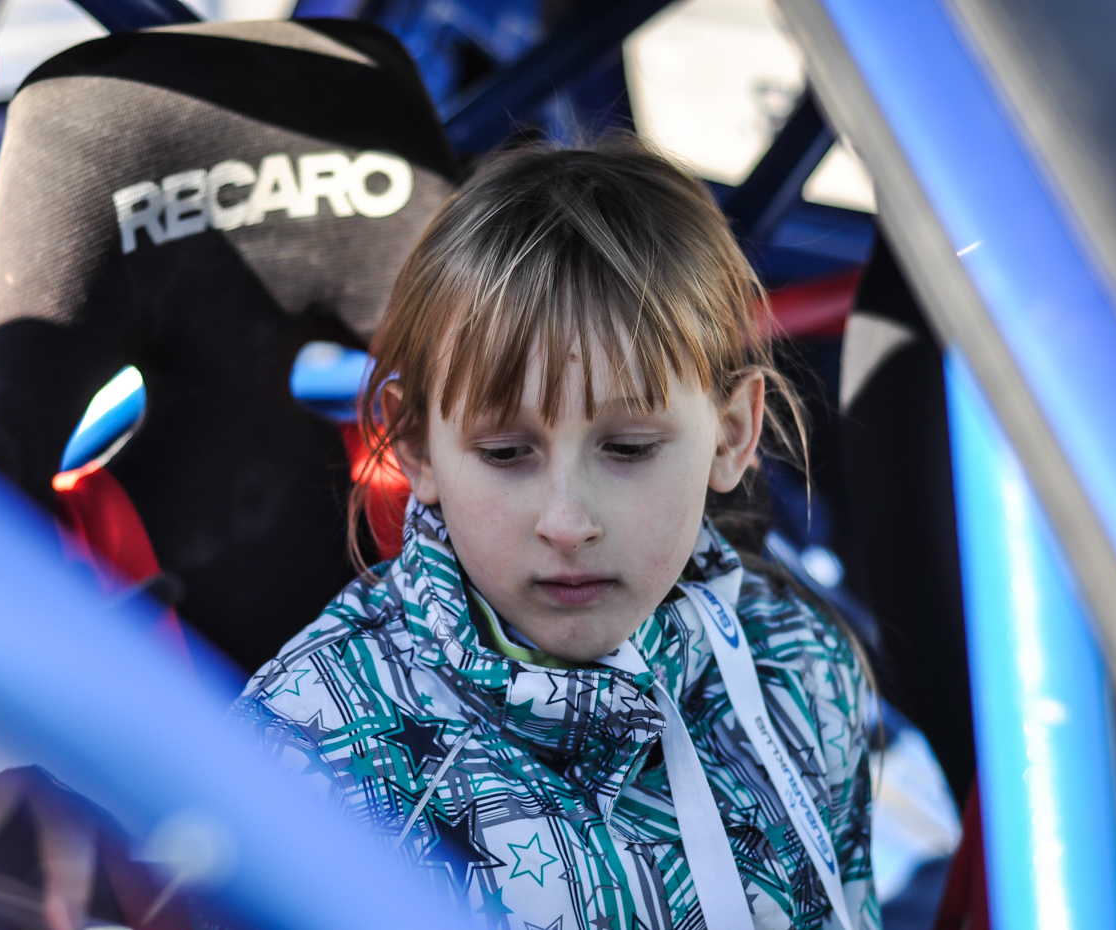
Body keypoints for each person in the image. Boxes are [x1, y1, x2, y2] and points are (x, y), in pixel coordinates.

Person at [233, 139, 877, 930]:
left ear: (732, 434)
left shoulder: (803, 667)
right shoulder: (311, 754)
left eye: (628, 449)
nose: (567, 524)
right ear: (416, 448)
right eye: (507, 454)